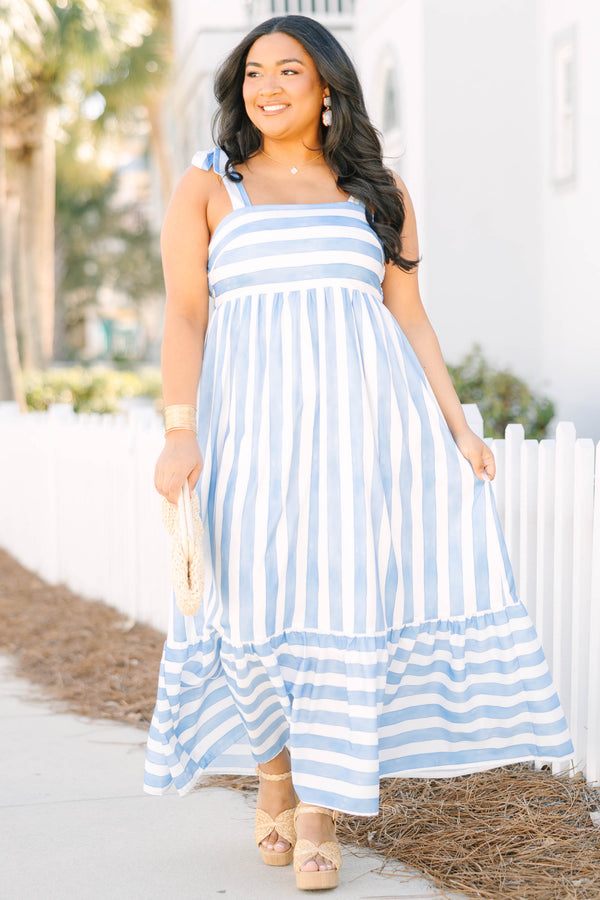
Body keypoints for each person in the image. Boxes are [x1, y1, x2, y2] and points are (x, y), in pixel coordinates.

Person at [144, 14, 573, 892]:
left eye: (288, 71)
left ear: (327, 86)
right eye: (254, 72)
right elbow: (186, 314)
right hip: (245, 432)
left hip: (358, 436)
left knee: (341, 612)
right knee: (246, 616)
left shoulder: (378, 192)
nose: (267, 86)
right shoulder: (209, 185)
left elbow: (409, 317)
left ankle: (316, 813)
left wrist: (457, 425)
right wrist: (179, 428)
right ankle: (273, 770)